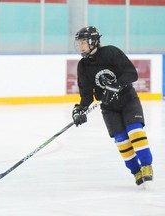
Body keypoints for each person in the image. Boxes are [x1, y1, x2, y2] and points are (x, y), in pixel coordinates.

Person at [72, 26, 153, 186]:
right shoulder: (83, 66)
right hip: (109, 107)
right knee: (122, 140)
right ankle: (136, 171)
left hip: (128, 100)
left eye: (83, 42)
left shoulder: (110, 53)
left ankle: (146, 165)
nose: (80, 46)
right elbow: (87, 95)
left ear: (93, 42)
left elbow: (132, 73)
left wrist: (115, 84)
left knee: (135, 131)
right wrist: (80, 109)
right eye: (79, 43)